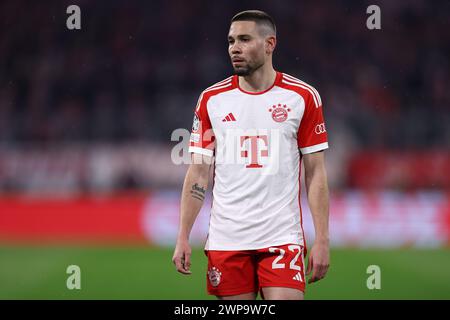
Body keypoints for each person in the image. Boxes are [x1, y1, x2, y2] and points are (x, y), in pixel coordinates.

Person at [172, 9, 330, 300]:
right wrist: (183, 234)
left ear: (270, 44)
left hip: (282, 236)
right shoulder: (212, 100)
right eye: (231, 40)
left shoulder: (302, 97)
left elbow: (316, 171)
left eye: (244, 39)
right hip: (227, 238)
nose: (235, 47)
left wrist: (322, 238)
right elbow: (197, 172)